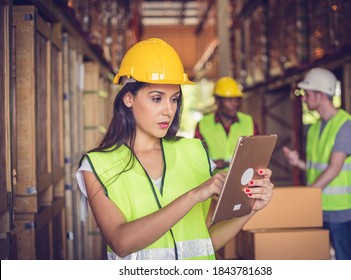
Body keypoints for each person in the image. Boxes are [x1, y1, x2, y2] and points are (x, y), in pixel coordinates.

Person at [75, 38, 274, 260]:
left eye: (174, 99)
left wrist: (251, 209)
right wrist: (193, 195)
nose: (168, 111)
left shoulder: (194, 152)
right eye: (157, 98)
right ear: (129, 98)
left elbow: (205, 240)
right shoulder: (96, 166)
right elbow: (121, 242)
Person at [282, 67, 351, 260]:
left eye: (307, 94)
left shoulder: (345, 126)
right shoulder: (316, 127)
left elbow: (335, 169)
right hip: (319, 207)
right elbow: (318, 168)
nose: (303, 98)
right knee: (321, 258)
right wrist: (298, 163)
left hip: (340, 210)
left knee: (345, 259)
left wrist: (307, 195)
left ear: (320, 95)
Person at [194, 76, 259, 174]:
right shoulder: (203, 124)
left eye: (236, 100)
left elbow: (258, 153)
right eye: (229, 100)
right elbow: (197, 158)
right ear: (217, 100)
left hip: (243, 180)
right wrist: (212, 163)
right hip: (213, 184)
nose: (235, 104)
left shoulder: (249, 122)